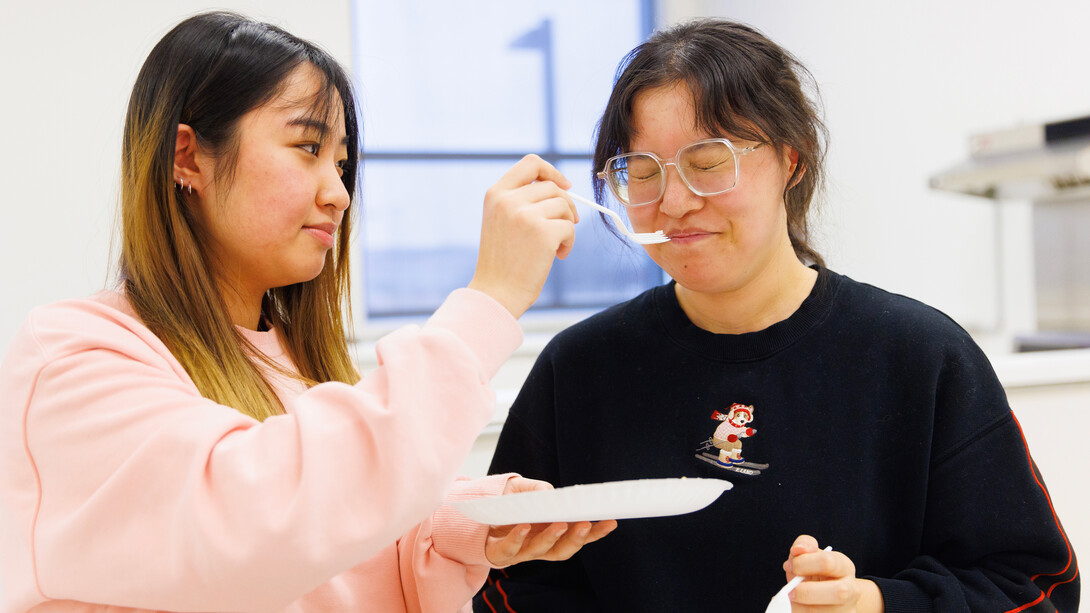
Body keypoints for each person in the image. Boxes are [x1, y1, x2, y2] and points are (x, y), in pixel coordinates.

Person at [0, 11, 616, 613]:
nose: (339, 192)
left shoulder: (296, 354)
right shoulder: (74, 355)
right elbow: (254, 527)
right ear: (187, 157)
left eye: (341, 162)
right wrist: (489, 302)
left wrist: (465, 524)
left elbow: (333, 543)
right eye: (307, 148)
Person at [475, 18, 1079, 613]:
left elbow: (1035, 586)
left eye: (709, 161)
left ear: (792, 160)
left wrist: (874, 604)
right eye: (642, 171)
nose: (677, 202)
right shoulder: (579, 368)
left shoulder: (919, 357)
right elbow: (504, 582)